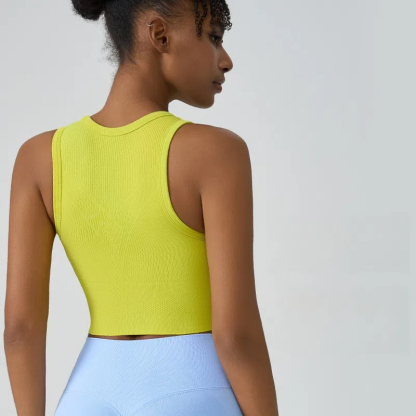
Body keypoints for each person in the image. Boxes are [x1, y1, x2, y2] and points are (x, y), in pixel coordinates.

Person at [4, 0, 279, 415]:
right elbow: (235, 335)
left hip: (88, 394)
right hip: (192, 387)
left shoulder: (39, 158)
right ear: (160, 35)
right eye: (213, 38)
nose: (225, 60)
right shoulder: (217, 152)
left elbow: (19, 329)